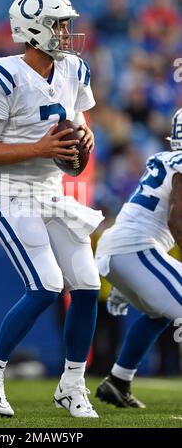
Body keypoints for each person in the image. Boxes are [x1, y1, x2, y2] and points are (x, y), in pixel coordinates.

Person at [0, 0, 104, 418]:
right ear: (33, 29)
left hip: (50, 192)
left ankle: (72, 383)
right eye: (59, 24)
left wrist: (86, 141)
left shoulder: (74, 69)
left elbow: (78, 134)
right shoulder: (0, 74)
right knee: (46, 285)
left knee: (86, 283)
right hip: (7, 193)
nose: (66, 33)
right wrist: (38, 149)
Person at [95, 108, 182, 408]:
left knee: (158, 315)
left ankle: (118, 381)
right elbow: (177, 218)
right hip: (136, 247)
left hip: (120, 247)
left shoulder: (165, 160)